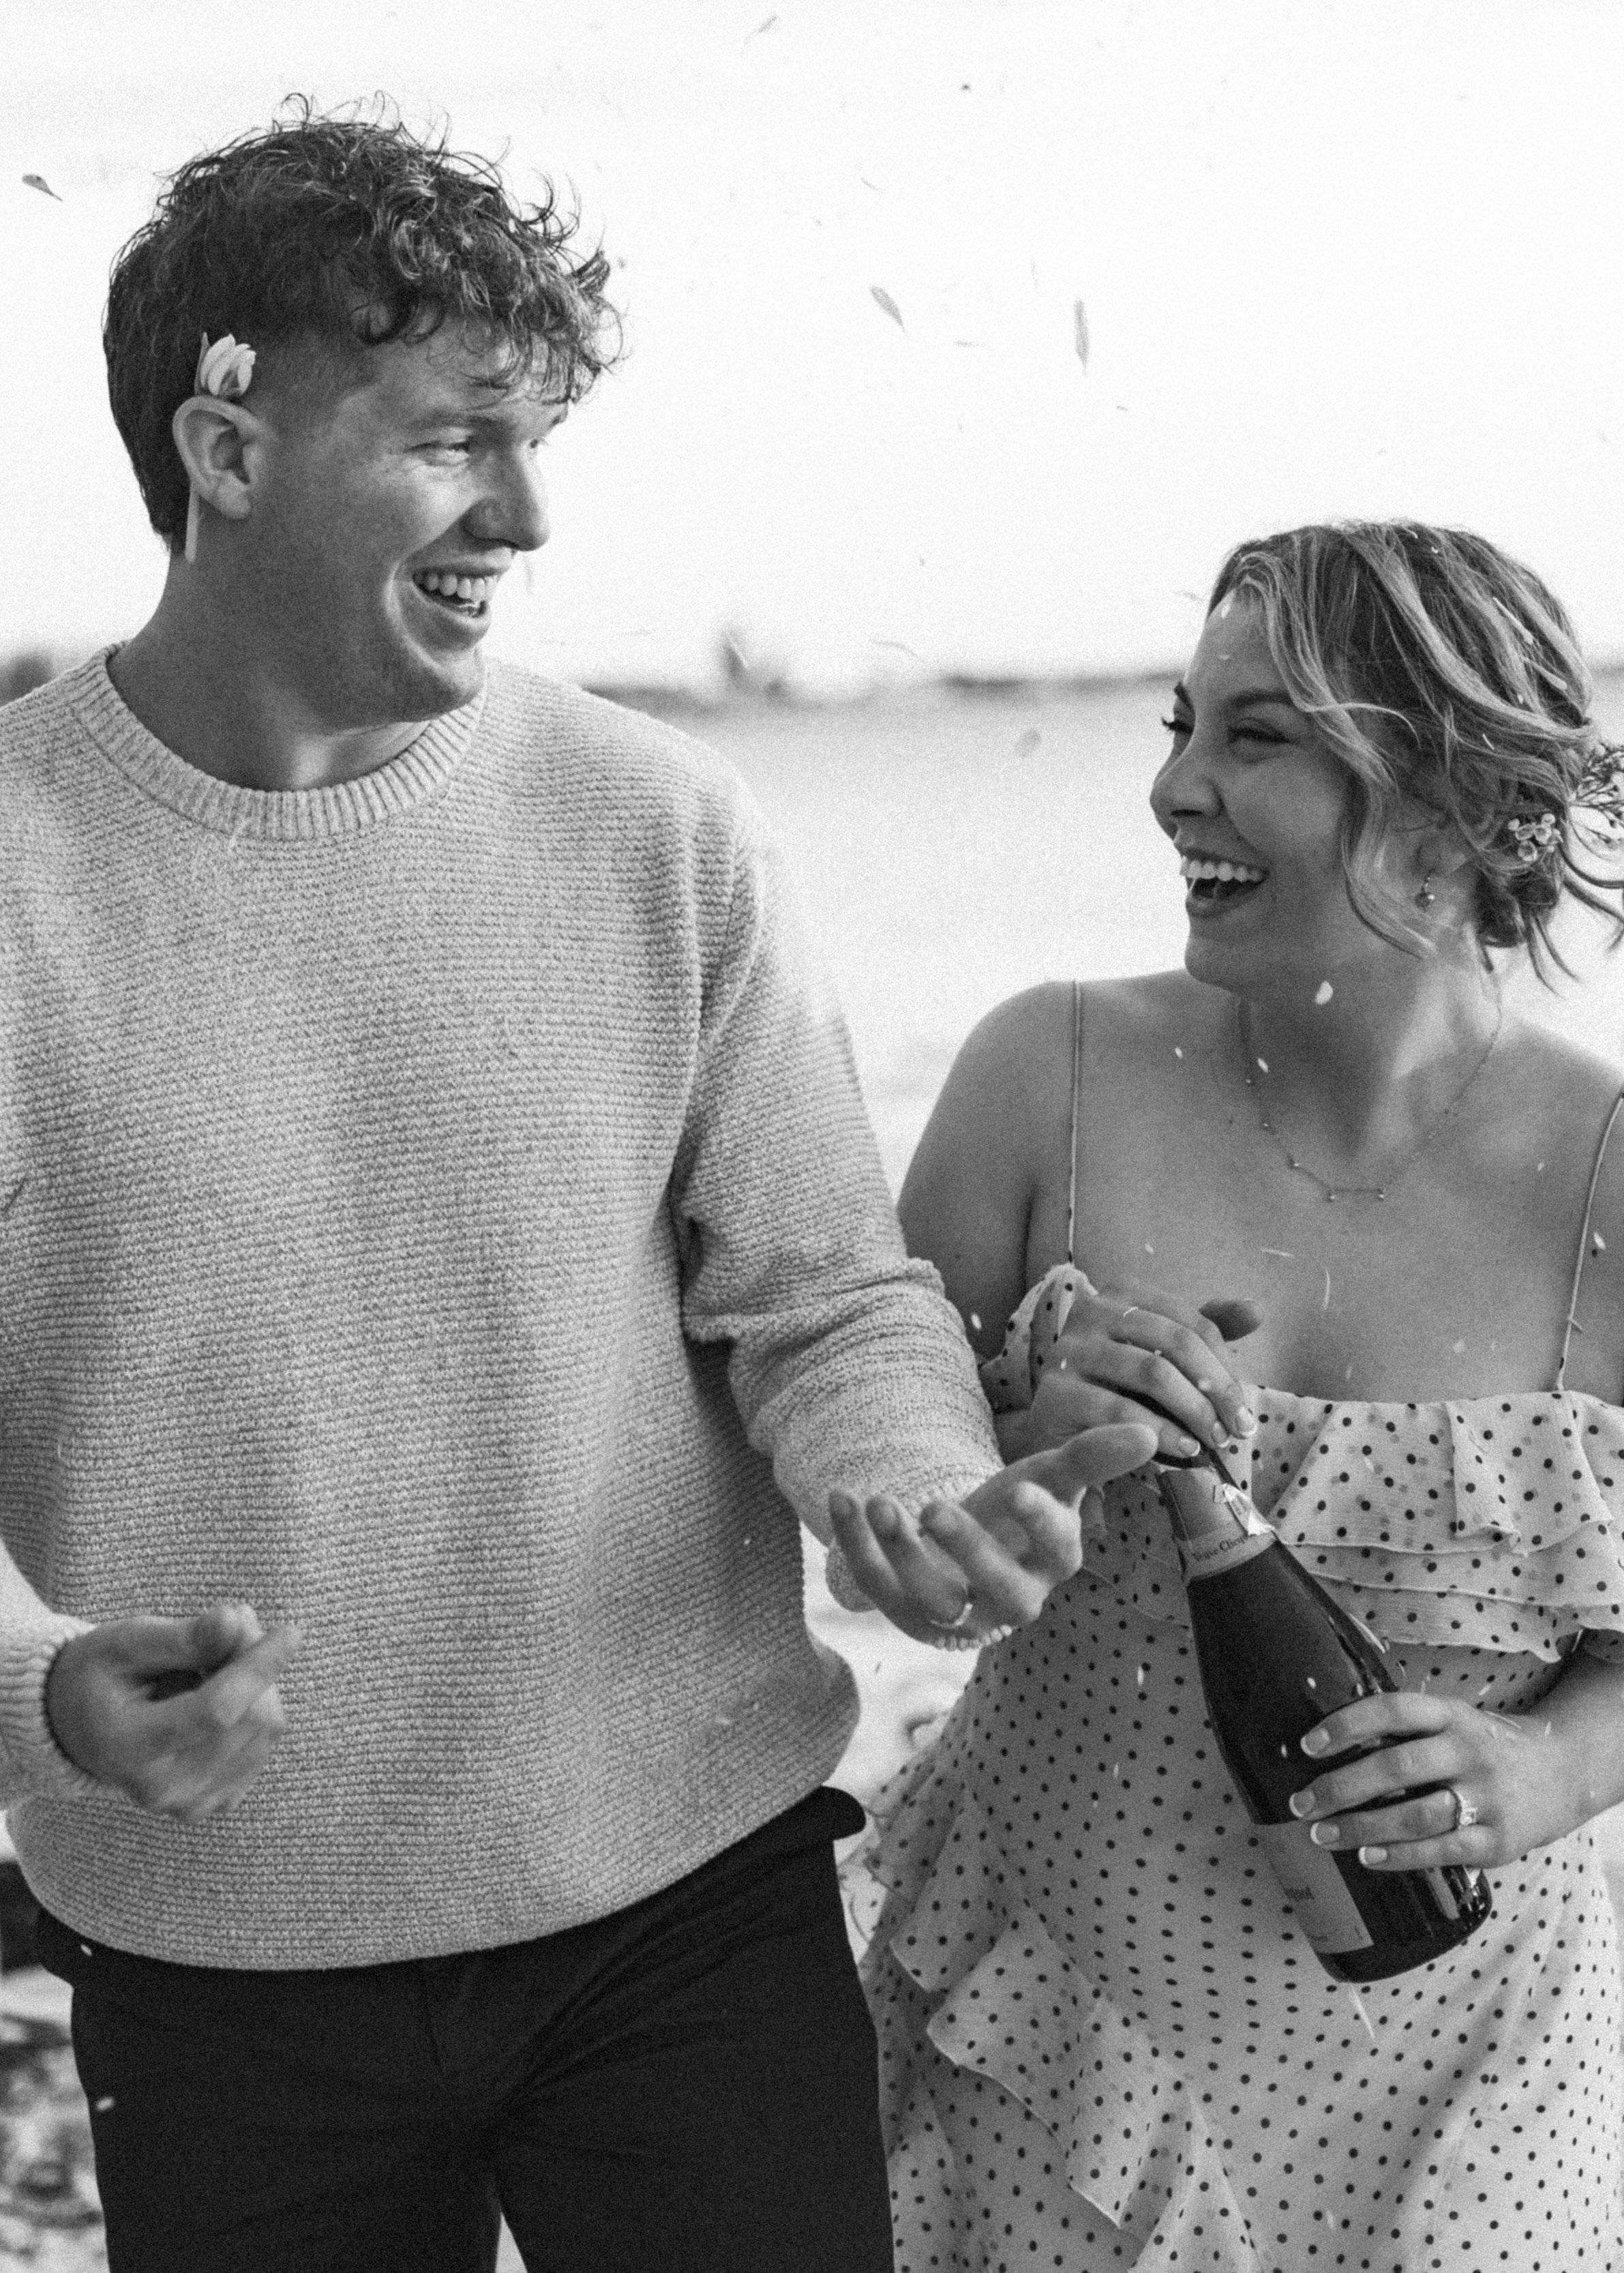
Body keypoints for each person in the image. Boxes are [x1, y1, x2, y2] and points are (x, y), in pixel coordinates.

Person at [0, 107, 1152, 2273]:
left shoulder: (660, 822)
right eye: (457, 440)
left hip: (687, 1908)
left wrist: (901, 1484)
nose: (524, 512)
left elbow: (824, 1293)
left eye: (536, 441)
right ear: (226, 448)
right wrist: (40, 1684)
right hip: (221, 1964)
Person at [837, 522, 1624, 2270]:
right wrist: (1014, 1457)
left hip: (1460, 2068)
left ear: (1457, 800)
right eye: (1177, 724)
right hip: (1051, 2016)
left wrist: (1551, 1763)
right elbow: (880, 1564)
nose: (1171, 789)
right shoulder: (1040, 1078)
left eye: (1254, 738)